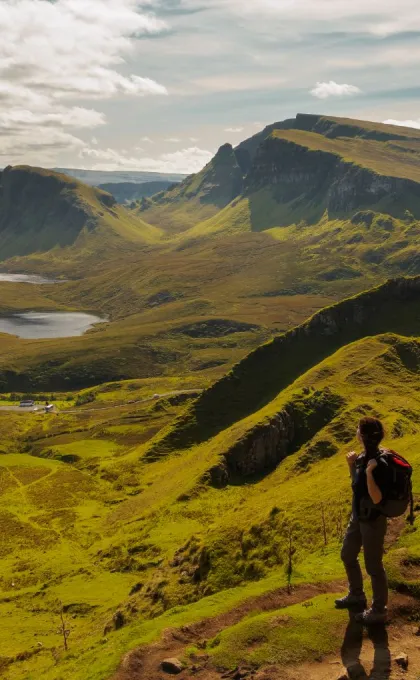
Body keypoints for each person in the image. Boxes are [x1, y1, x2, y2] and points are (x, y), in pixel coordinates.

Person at [335, 417, 390, 625]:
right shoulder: (361, 457)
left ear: (364, 436)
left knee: (374, 566)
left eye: (358, 429)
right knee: (347, 554)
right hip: (358, 516)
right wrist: (353, 466)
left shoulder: (379, 463)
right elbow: (357, 488)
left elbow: (376, 498)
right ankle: (356, 594)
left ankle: (379, 610)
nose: (356, 431)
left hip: (373, 520)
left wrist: (368, 472)